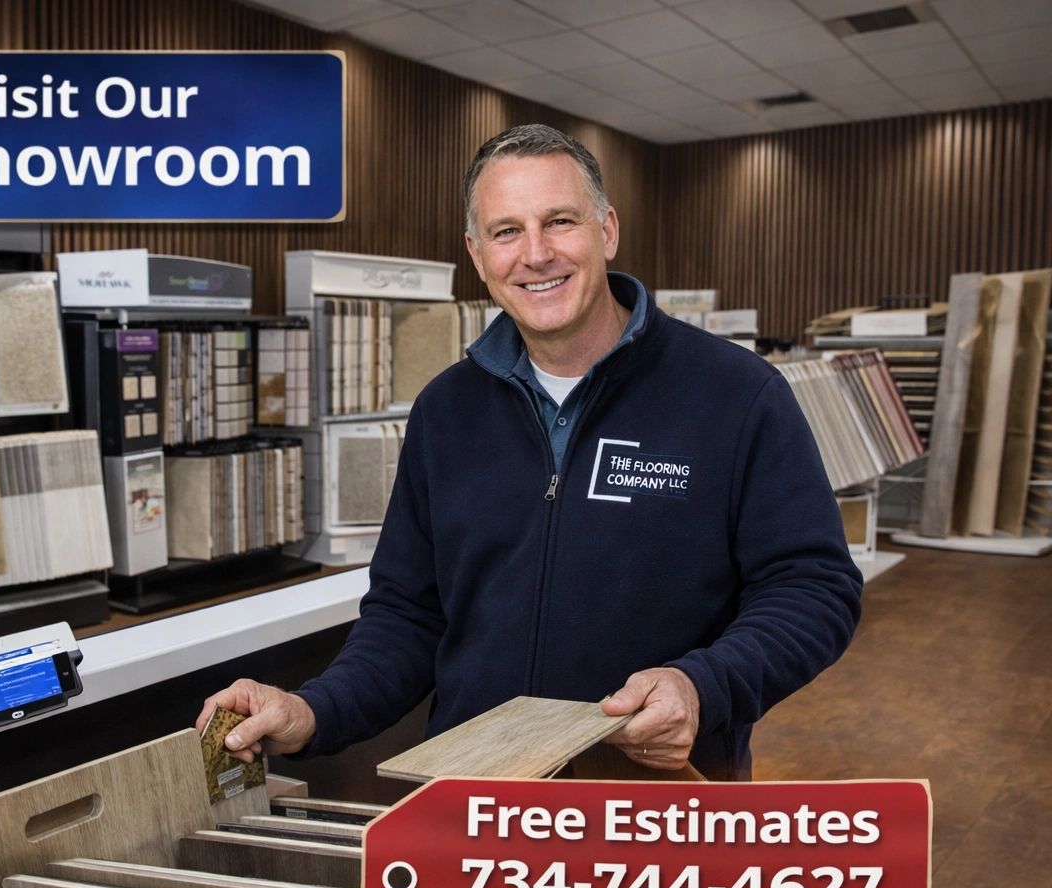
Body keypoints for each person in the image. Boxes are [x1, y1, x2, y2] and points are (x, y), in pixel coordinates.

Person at [198, 124, 863, 781]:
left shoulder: (736, 394)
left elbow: (813, 589)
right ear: (478, 253)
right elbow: (408, 618)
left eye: (560, 222)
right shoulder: (445, 413)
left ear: (607, 229)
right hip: (473, 801)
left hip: (656, 809)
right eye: (506, 231)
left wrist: (704, 686)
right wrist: (313, 709)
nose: (535, 254)